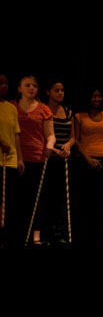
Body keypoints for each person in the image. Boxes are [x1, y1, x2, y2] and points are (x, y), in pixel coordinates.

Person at [13, 76, 56, 245]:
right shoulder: (12, 107)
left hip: (38, 158)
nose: (31, 88)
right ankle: (18, 230)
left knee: (37, 197)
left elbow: (50, 134)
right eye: (27, 85)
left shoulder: (43, 109)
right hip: (16, 158)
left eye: (35, 86)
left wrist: (50, 145)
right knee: (18, 197)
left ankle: (36, 233)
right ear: (20, 88)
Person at [73, 87, 103, 246]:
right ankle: (84, 236)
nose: (97, 99)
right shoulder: (79, 116)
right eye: (94, 96)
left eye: (99, 96)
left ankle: (101, 236)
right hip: (85, 160)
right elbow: (76, 140)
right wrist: (88, 158)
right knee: (86, 199)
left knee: (101, 200)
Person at [43, 80, 75, 244]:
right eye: (56, 90)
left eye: (62, 90)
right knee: (47, 196)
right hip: (48, 158)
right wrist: (55, 150)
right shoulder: (43, 110)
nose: (61, 93)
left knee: (62, 198)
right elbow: (41, 134)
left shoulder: (68, 112)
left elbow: (73, 136)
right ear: (48, 92)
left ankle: (60, 232)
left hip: (65, 159)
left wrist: (68, 146)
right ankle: (46, 233)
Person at [0, 74, 23, 246]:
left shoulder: (11, 107)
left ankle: (7, 236)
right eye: (1, 83)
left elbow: (16, 134)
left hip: (10, 158)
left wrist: (20, 159)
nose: (4, 86)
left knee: (10, 201)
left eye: (6, 83)